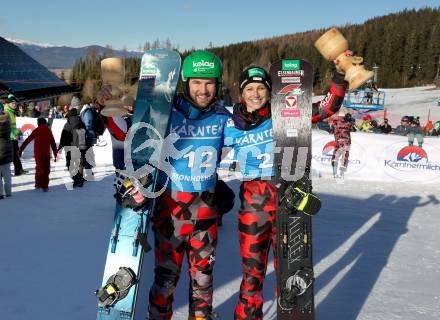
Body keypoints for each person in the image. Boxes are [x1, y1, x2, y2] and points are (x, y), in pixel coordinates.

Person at [99, 51, 231, 320]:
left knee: (203, 285)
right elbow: (128, 134)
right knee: (165, 282)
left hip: (205, 217)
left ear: (217, 84)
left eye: (209, 83)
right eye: (196, 82)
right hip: (170, 215)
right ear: (185, 82)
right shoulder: (168, 113)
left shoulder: (223, 118)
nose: (203, 89)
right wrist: (108, 106)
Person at [224, 61, 347, 319]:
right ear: (241, 93)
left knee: (289, 275)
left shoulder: (287, 113)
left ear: (270, 91)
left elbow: (327, 108)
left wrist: (339, 75)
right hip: (252, 212)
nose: (255, 94)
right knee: (251, 279)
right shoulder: (230, 123)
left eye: (261, 88)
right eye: (250, 89)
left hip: (289, 209)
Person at [18, 118, 57, 191]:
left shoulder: (36, 130)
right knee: (46, 169)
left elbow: (27, 140)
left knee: (39, 168)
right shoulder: (48, 131)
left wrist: (21, 150)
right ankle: (45, 186)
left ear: (38, 123)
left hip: (38, 154)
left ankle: (38, 184)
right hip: (46, 153)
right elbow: (53, 143)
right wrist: (55, 154)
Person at [58, 108, 87, 187]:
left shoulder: (68, 124)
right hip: (81, 146)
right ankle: (80, 178)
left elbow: (64, 136)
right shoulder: (82, 123)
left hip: (70, 147)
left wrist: (60, 147)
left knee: (70, 164)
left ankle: (77, 179)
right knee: (80, 163)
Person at [3, 94, 26, 176]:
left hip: (12, 136)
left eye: (15, 103)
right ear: (8, 104)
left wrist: (17, 131)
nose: (14, 105)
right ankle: (16, 171)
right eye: (13, 103)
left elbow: (12, 126)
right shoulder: (7, 112)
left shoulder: (11, 112)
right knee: (13, 155)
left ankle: (18, 170)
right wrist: (14, 135)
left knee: (15, 154)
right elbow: (7, 126)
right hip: (10, 138)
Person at [331, 113, 357, 178]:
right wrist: (352, 122)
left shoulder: (335, 123)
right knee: (344, 157)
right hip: (346, 142)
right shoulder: (348, 124)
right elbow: (354, 130)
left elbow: (331, 131)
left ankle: (334, 173)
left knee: (335, 157)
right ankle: (341, 174)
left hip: (338, 142)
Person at [0, 103, 13, 199]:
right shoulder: (7, 122)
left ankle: (0, 193)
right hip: (7, 150)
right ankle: (8, 192)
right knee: (7, 173)